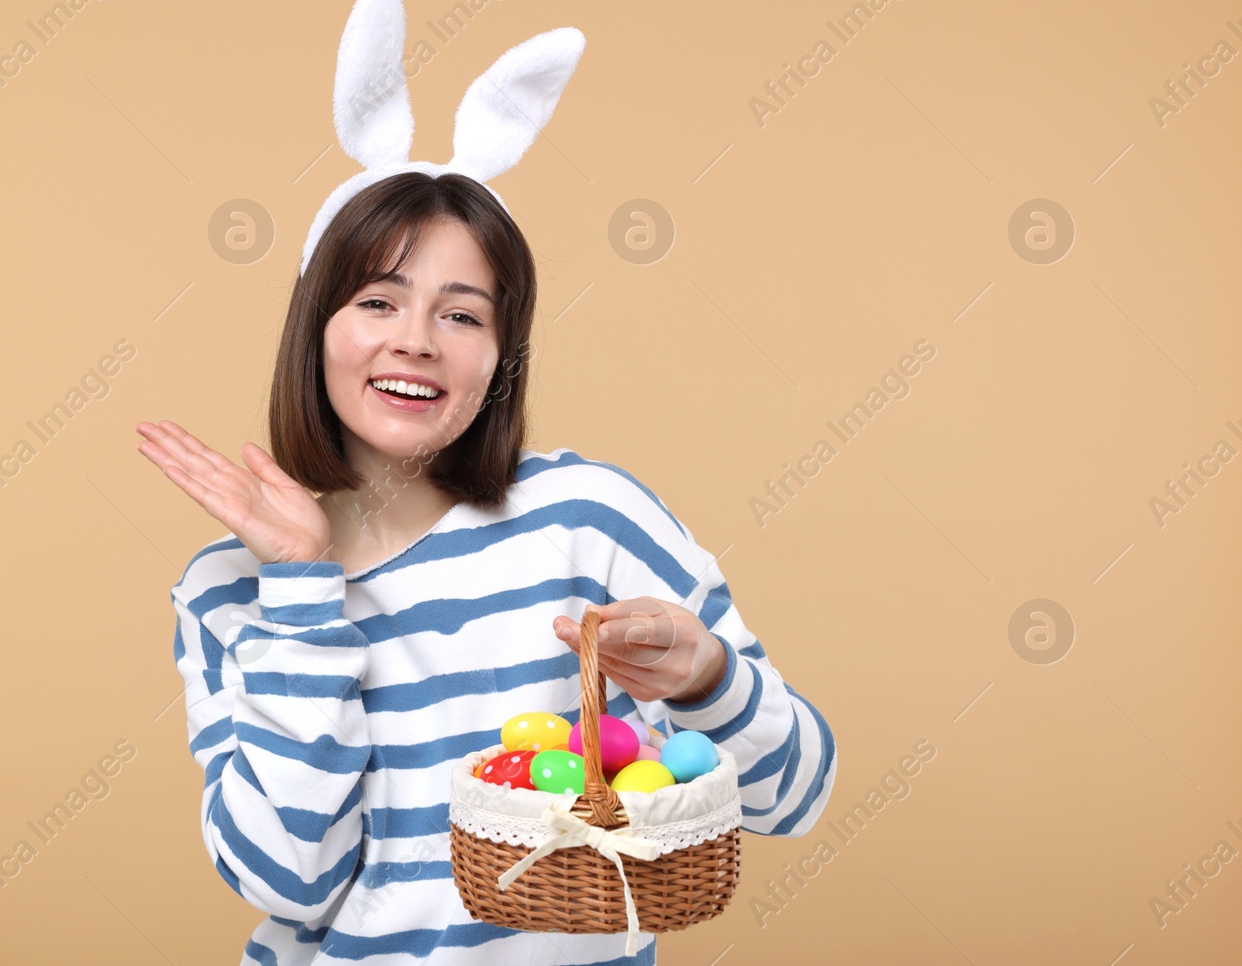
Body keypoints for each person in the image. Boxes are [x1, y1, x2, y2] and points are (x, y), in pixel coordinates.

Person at [137, 171, 838, 965]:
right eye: (377, 301)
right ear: (315, 329)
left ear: (504, 357)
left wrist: (708, 679)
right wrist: (301, 585)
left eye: (462, 313)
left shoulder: (587, 519)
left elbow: (794, 797)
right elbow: (289, 882)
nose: (416, 340)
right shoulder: (230, 588)